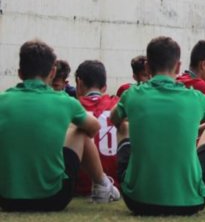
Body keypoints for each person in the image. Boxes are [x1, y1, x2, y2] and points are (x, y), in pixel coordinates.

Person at [110, 36, 205, 216]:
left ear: (147, 67)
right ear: (177, 66)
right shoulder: (196, 98)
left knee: (123, 127)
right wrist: (197, 129)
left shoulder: (132, 95)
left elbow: (114, 119)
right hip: (190, 202)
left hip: (137, 200)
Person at [0, 40, 120, 212]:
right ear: (52, 72)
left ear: (19, 73)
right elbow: (93, 127)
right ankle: (102, 184)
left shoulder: (2, 101)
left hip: (7, 199)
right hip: (54, 198)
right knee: (80, 130)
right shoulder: (65, 102)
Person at [74, 60, 121, 195]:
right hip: (117, 183)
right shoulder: (118, 104)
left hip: (79, 186)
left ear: (79, 83)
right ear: (105, 87)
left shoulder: (72, 106)